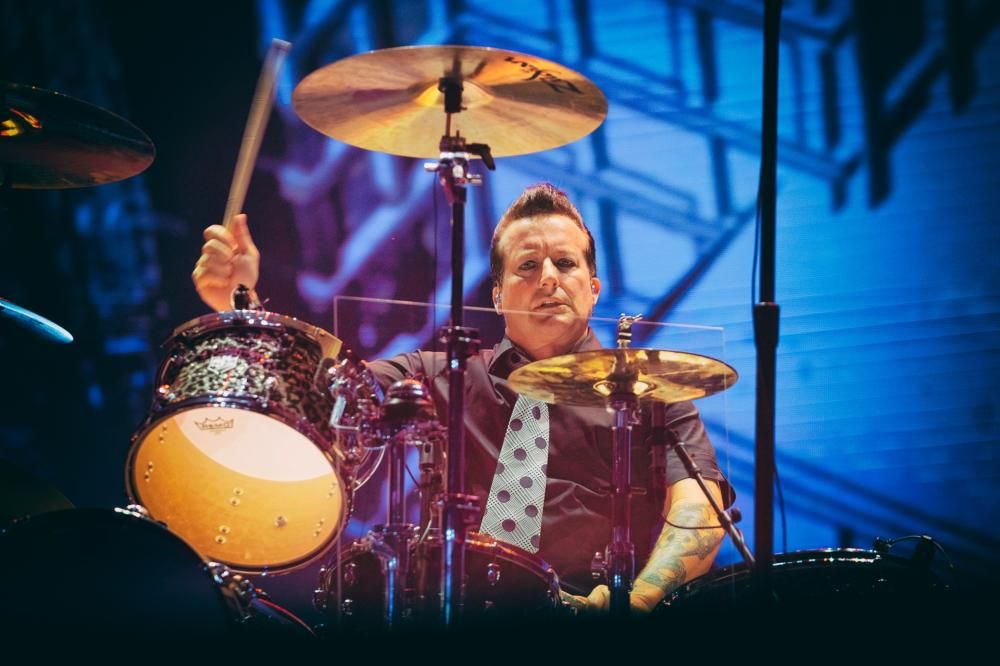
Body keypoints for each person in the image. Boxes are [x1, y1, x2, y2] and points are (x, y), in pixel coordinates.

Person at [192, 183, 732, 615]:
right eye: (527, 266)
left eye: (566, 264)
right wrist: (242, 305)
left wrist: (637, 604)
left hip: (597, 624)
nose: (548, 278)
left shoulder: (648, 389)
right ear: (497, 296)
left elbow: (700, 509)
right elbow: (327, 387)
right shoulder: (440, 375)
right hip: (462, 620)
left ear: (594, 288)